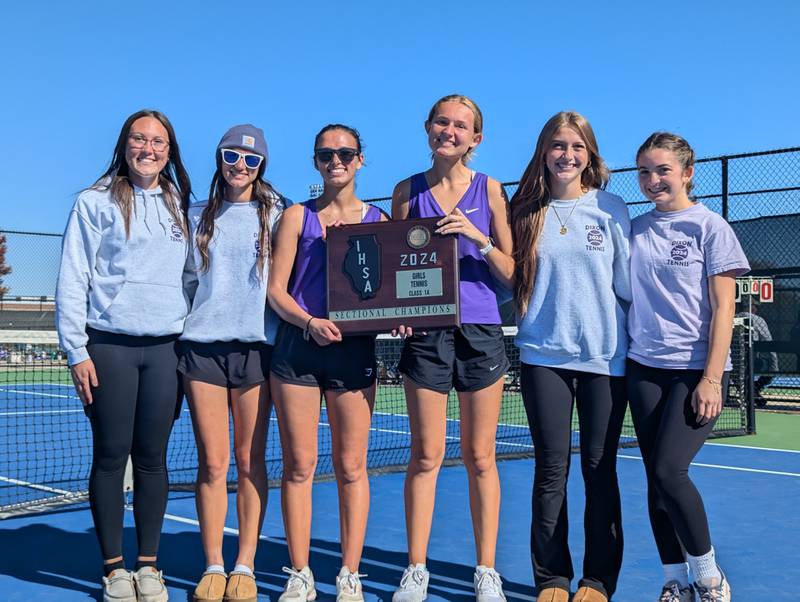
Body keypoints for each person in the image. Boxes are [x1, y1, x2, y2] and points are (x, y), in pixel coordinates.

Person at [55, 109, 192, 602]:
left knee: (153, 460)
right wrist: (76, 350)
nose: (148, 148)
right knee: (112, 457)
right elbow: (74, 276)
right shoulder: (93, 202)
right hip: (108, 346)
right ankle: (115, 568)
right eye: (139, 139)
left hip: (165, 350)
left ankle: (149, 566)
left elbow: (192, 278)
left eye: (158, 141)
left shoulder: (181, 205)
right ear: (124, 144)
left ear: (169, 151)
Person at [391, 94, 514, 602]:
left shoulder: (491, 190)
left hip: (481, 331)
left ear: (475, 139)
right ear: (427, 127)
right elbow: (393, 272)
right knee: (426, 455)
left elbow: (512, 274)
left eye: (461, 126)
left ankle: (486, 571)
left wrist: (477, 237)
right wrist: (399, 313)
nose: (450, 130)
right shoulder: (406, 191)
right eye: (442, 121)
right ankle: (415, 570)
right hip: (426, 335)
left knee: (480, 456)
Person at [510, 111, 631, 602]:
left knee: (600, 471)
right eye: (559, 145)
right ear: (544, 150)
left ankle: (598, 580)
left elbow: (626, 285)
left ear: (590, 154)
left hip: (605, 360)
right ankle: (552, 578)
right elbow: (506, 278)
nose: (567, 155)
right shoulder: (524, 211)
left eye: (577, 147)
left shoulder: (612, 208)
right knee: (551, 471)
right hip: (543, 357)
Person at [628, 132, 749, 602]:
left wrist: (712, 379)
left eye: (662, 170)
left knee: (668, 472)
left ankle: (708, 575)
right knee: (654, 481)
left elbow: (724, 309)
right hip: (642, 370)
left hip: (694, 371)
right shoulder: (635, 229)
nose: (653, 180)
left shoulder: (710, 227)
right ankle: (672, 581)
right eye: (644, 171)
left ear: (686, 172)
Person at [268, 124, 386, 602]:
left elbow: (388, 294)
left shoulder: (379, 221)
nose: (335, 161)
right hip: (298, 350)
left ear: (360, 160)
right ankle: (299, 573)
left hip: (353, 352)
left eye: (345, 153)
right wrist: (310, 321)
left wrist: (397, 321)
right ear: (315, 161)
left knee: (351, 466)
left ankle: (349, 575)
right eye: (325, 154)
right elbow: (276, 291)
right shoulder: (297, 217)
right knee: (299, 464)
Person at [180, 125, 289, 602]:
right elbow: (183, 281)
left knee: (249, 460)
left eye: (250, 160)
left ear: (261, 165)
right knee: (212, 461)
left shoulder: (279, 215)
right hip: (200, 349)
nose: (239, 166)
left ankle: (244, 564)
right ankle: (213, 564)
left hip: (255, 350)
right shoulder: (195, 214)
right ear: (220, 158)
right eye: (231, 156)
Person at [735, 299, 778, 405]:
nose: (757, 309)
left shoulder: (731, 318)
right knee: (769, 368)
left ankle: (751, 391)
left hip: (730, 363)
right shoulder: (758, 320)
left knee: (737, 375)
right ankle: (753, 391)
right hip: (751, 361)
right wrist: (774, 364)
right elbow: (768, 341)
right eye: (756, 307)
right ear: (752, 307)